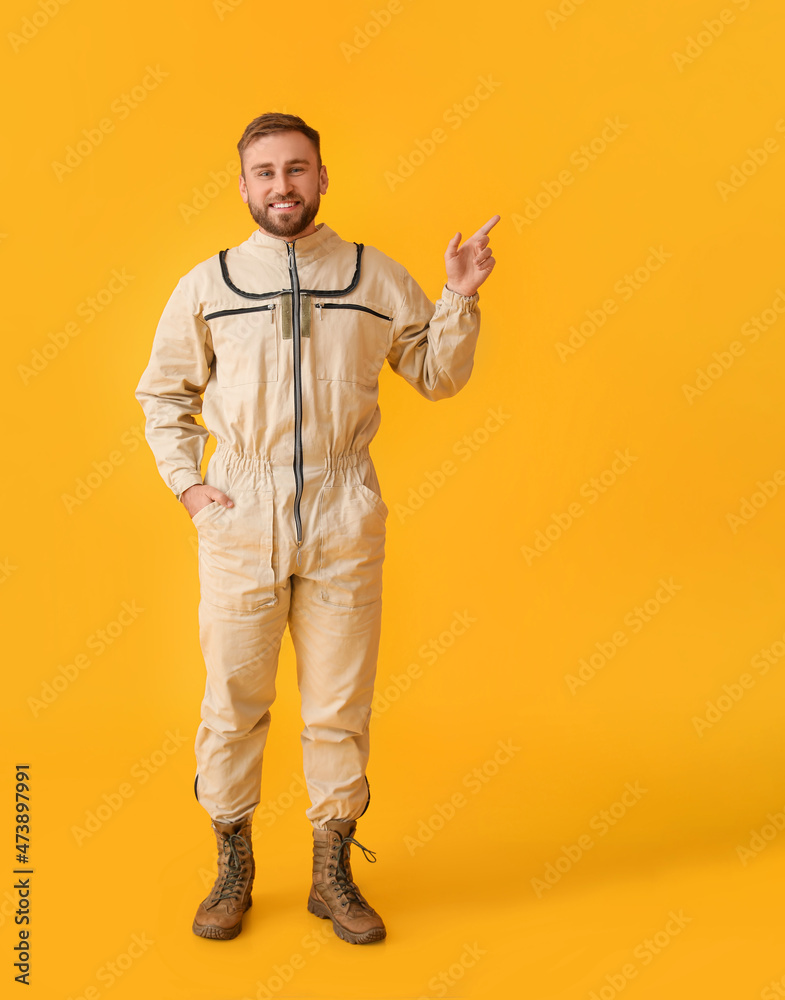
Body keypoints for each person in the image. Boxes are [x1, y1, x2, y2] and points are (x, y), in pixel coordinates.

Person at [134, 112, 498, 945]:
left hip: (342, 511)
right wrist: (191, 488)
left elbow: (437, 376)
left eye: (297, 169)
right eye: (264, 172)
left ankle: (331, 871)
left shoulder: (372, 276)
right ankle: (233, 864)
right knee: (232, 703)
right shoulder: (211, 282)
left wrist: (458, 296)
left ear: (323, 177)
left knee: (338, 707)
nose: (282, 186)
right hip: (240, 510)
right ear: (243, 187)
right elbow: (163, 396)